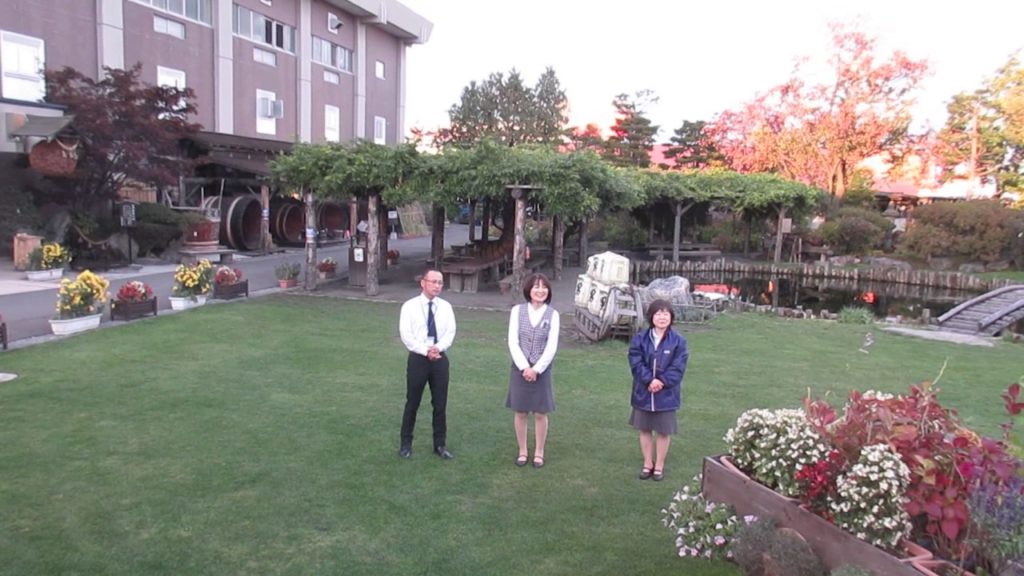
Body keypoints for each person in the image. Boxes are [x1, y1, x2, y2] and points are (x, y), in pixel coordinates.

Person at [398, 269, 457, 460]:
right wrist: (426, 351)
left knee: (440, 404)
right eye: (434, 282)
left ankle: (439, 445)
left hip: (439, 359)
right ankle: (406, 444)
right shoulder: (409, 306)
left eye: (440, 282)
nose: (437, 286)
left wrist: (437, 348)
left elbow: (450, 333)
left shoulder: (446, 307)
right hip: (418, 359)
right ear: (423, 283)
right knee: (412, 402)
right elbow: (406, 335)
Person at [628, 299, 688, 481]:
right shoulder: (640, 339)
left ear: (671, 317)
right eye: (658, 313)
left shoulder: (679, 341)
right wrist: (649, 380)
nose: (662, 317)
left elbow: (678, 366)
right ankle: (648, 463)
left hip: (666, 394)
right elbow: (635, 361)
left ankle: (659, 465)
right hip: (643, 392)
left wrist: (661, 381)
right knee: (644, 428)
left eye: (666, 314)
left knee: (663, 431)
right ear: (651, 316)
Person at [506, 273, 560, 469]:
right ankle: (522, 450)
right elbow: (513, 341)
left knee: (540, 412)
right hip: (520, 368)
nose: (540, 290)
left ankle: (539, 451)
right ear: (529, 289)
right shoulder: (517, 311)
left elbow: (551, 346)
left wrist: (536, 369)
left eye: (544, 287)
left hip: (541, 370)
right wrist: (524, 367)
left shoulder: (553, 314)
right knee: (520, 411)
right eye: (536, 286)